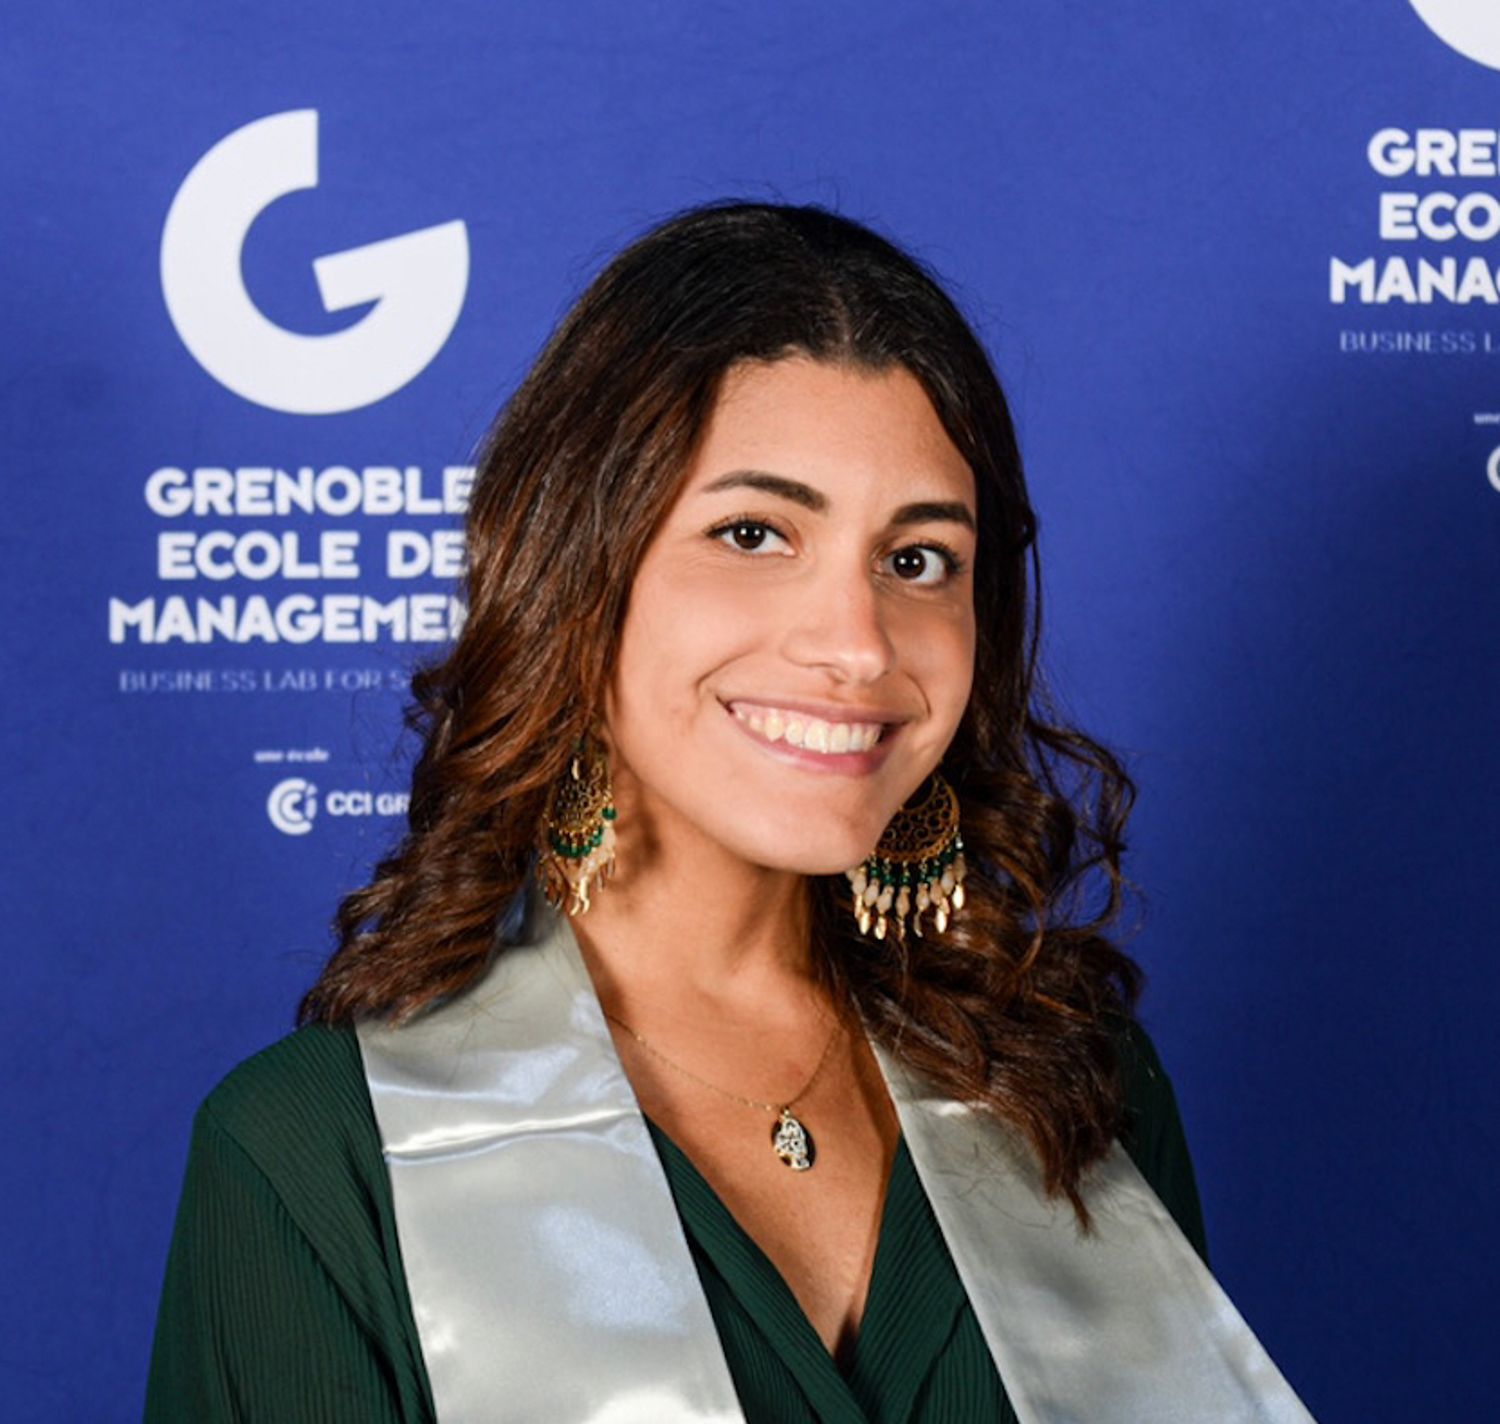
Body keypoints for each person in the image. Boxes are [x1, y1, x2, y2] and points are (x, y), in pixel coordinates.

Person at [144, 201, 1317, 1423]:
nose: (858, 645)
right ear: (577, 572)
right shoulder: (323, 1159)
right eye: (754, 533)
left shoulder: (1075, 1091)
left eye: (918, 558)